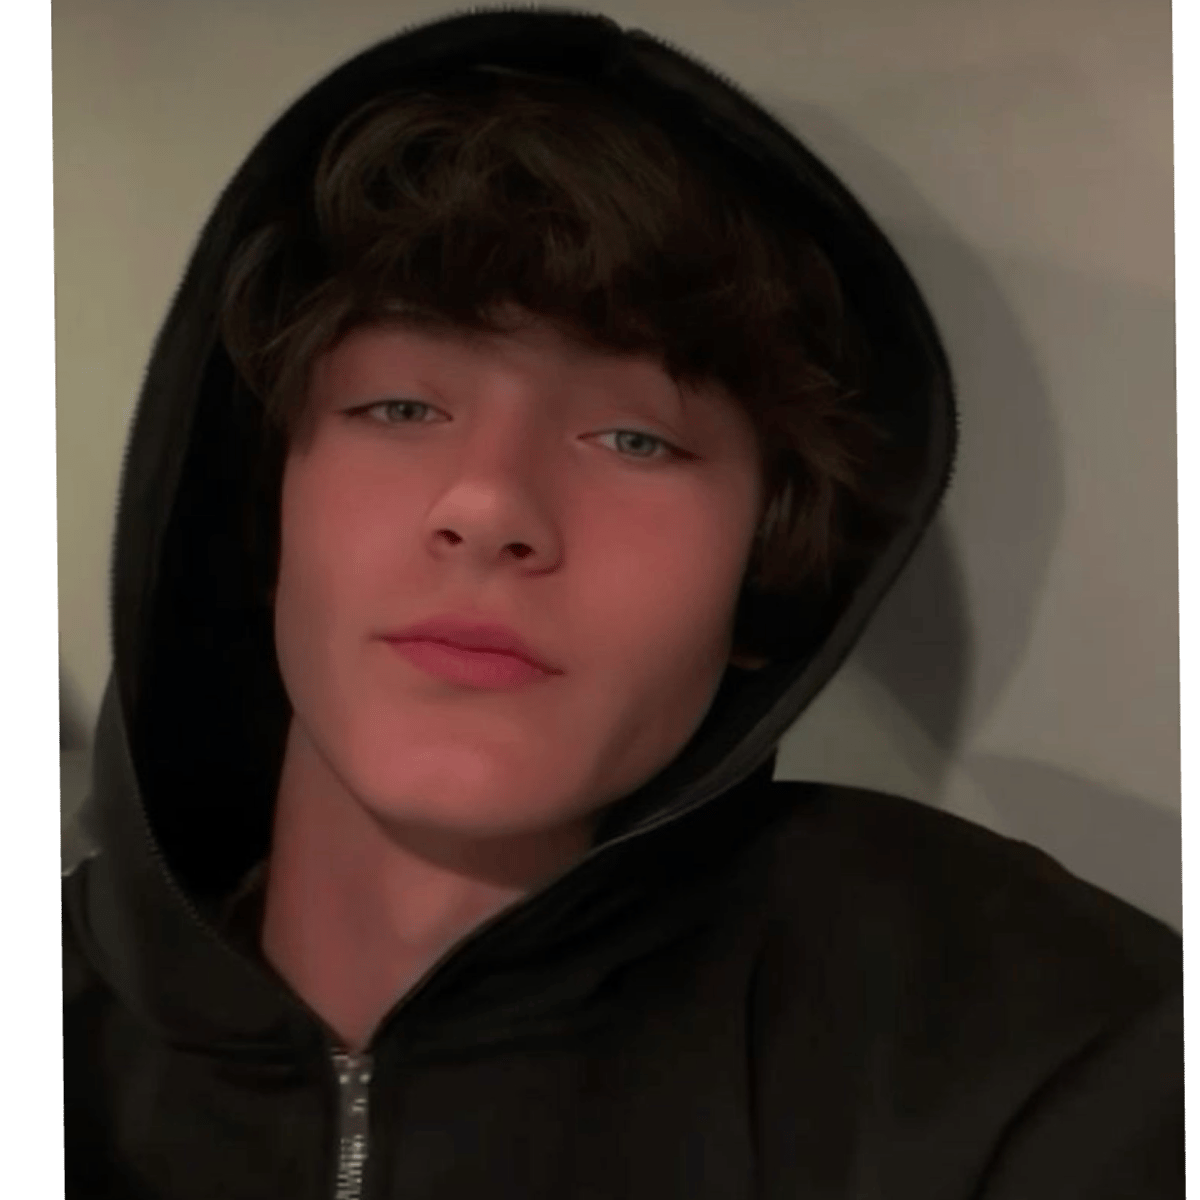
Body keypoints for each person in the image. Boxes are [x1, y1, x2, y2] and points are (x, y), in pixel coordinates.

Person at [61, 9, 1183, 1199]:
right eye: (400, 408)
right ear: (263, 515)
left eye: (636, 438)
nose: (490, 504)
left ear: (765, 577)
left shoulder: (1036, 1046)